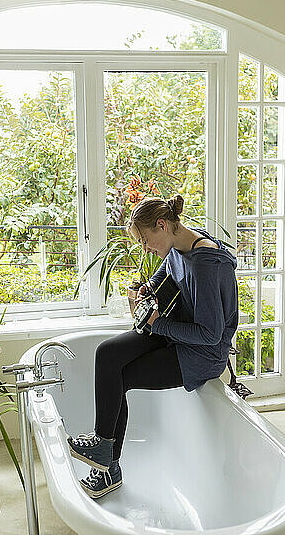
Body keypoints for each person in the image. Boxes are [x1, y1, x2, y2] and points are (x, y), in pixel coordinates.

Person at [67, 194, 238, 499]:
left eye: (145, 241)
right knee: (107, 353)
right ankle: (104, 447)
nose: (145, 249)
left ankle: (107, 468)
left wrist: (157, 324)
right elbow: (169, 268)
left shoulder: (207, 264)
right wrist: (148, 287)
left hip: (200, 352)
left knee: (124, 375)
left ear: (162, 225)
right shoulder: (180, 244)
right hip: (175, 329)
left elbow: (211, 335)